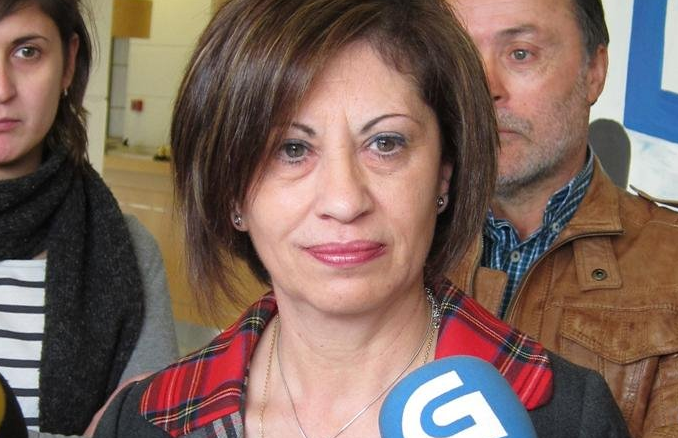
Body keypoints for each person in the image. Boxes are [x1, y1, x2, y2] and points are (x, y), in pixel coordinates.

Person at [93, 0, 630, 437]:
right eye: (291, 150)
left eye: (386, 143)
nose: (345, 200)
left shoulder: (567, 417)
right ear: (231, 191)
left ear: (443, 175)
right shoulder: (145, 421)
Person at [445, 0, 678, 436]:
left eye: (520, 53)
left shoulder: (671, 267)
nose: (484, 88)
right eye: (460, 57)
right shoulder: (387, 245)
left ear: (594, 71)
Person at [0, 0, 178, 436]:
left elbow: (153, 430)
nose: (2, 89)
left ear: (68, 63)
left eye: (26, 51)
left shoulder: (131, 256)